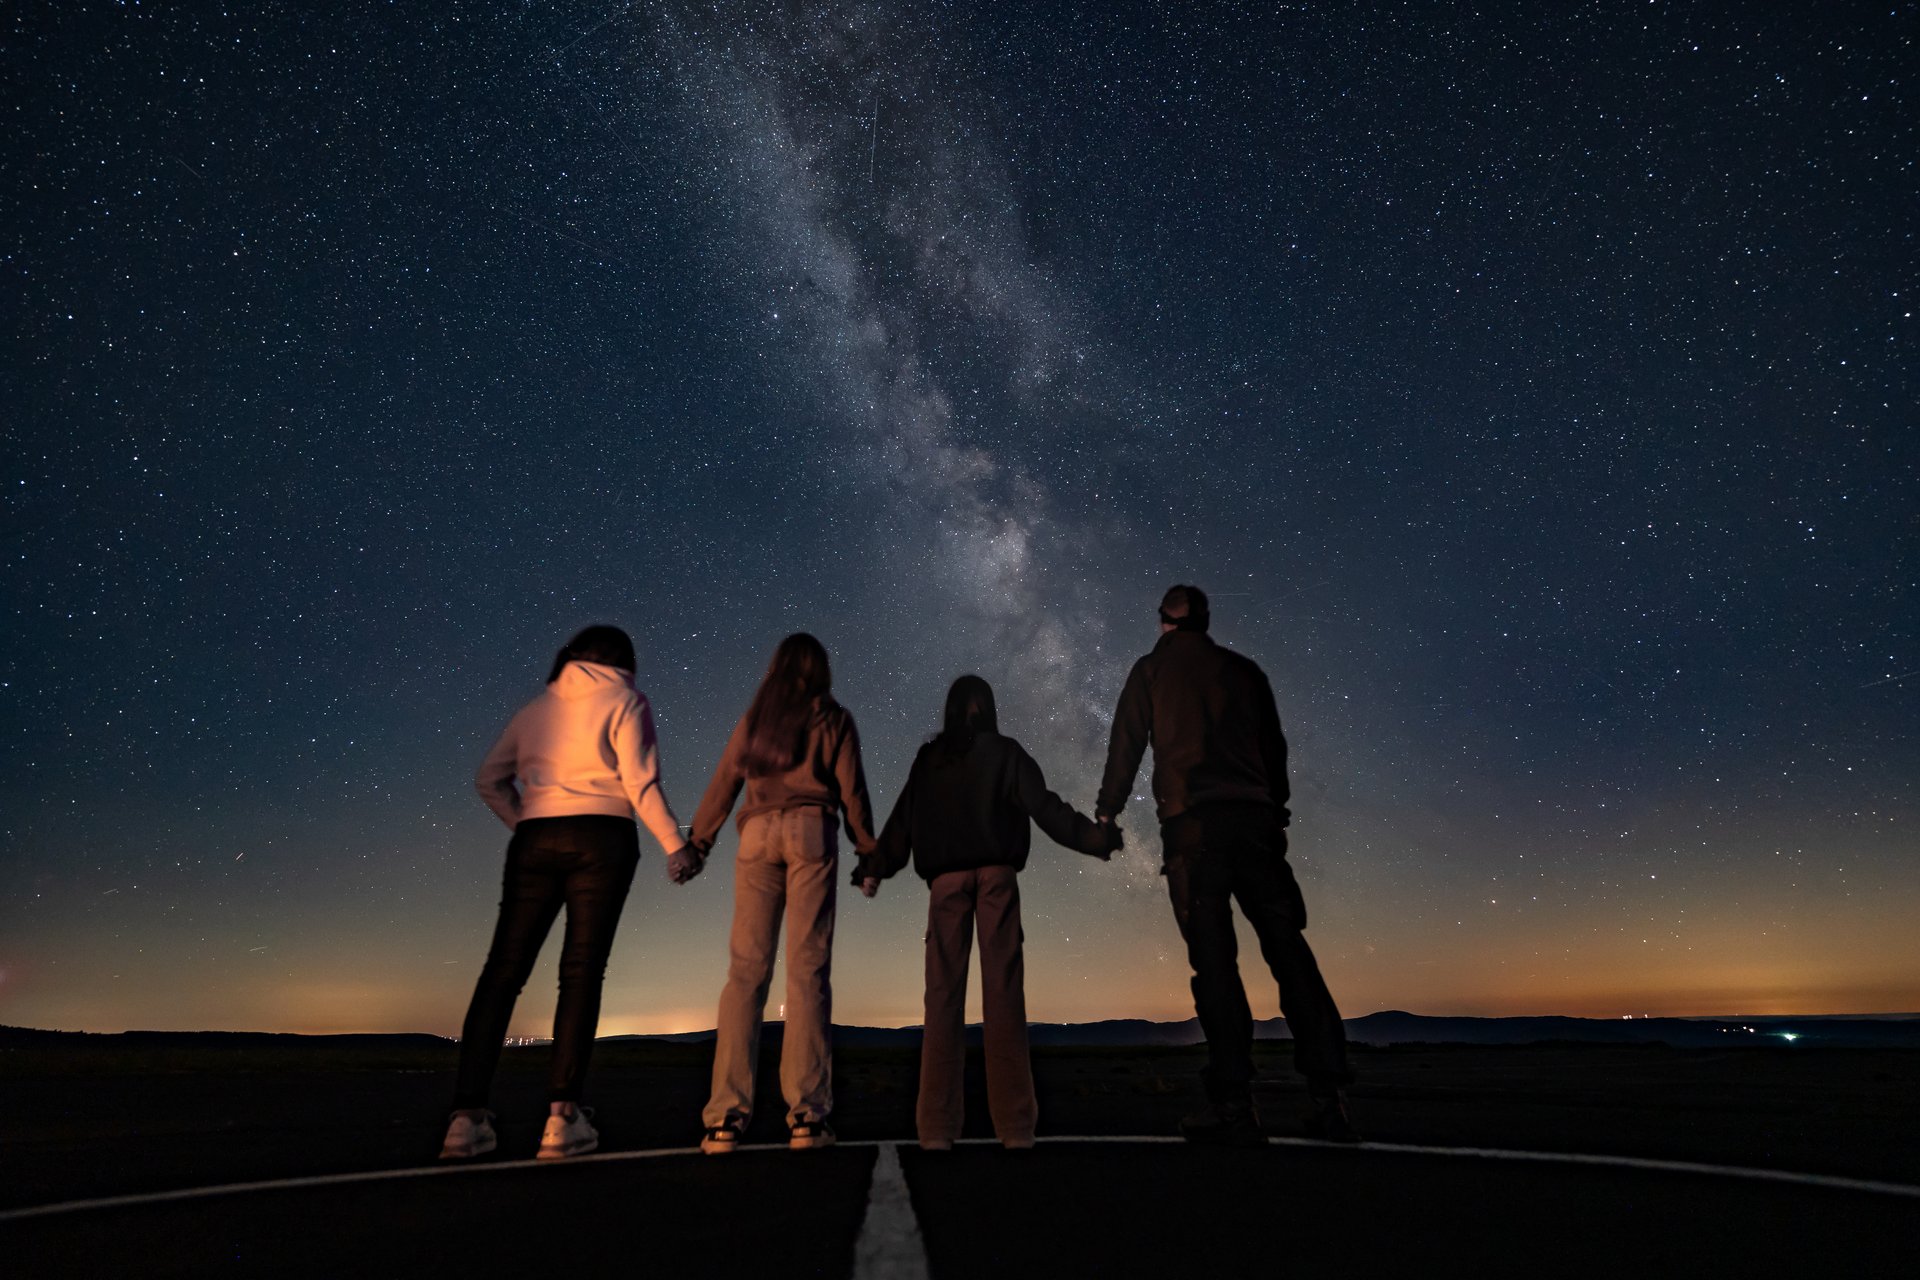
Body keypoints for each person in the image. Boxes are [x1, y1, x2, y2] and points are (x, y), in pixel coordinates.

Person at [1096, 585, 1358, 1145]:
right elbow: (1274, 748)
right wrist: (1275, 808)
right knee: (1290, 953)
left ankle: (1234, 1104)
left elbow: (1127, 744)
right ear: (1206, 621)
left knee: (1215, 966)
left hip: (1193, 829)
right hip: (1256, 825)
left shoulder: (1151, 671)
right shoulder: (1244, 671)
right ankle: (1329, 1098)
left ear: (1163, 622)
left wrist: (1107, 810)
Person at [440, 625, 699, 1161]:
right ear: (622, 664)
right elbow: (639, 782)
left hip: (536, 837)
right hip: (603, 834)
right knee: (581, 971)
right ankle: (562, 1117)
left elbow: (488, 779)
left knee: (502, 972)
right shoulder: (625, 700)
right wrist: (677, 845)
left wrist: (526, 822)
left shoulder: (534, 711)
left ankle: (466, 1119)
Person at [855, 676, 1118, 1151]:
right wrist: (1094, 840)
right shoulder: (1007, 753)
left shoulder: (930, 759)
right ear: (990, 709)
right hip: (997, 877)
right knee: (1004, 996)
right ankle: (1015, 1128)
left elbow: (902, 822)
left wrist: (875, 867)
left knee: (942, 999)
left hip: (945, 882)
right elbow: (1047, 809)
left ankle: (937, 1128)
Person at [684, 633, 878, 1154]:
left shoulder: (757, 720)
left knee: (745, 974)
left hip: (756, 835)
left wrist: (698, 844)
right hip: (811, 830)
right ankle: (807, 1117)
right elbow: (853, 791)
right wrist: (868, 853)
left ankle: (724, 1120)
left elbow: (724, 782)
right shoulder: (834, 718)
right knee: (807, 971)